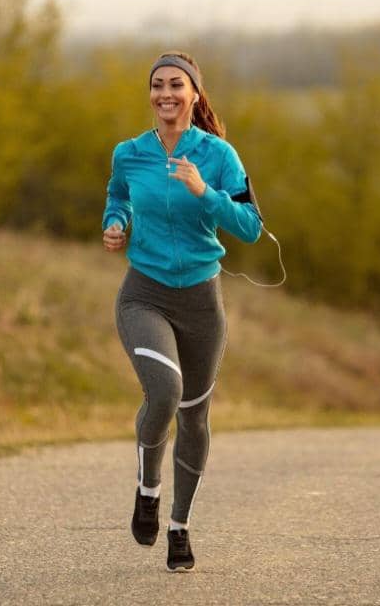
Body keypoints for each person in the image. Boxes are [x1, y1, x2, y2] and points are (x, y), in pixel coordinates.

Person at [101, 51, 263, 572]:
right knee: (164, 391)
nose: (165, 94)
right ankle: (147, 488)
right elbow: (118, 197)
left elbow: (251, 226)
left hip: (201, 302)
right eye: (157, 85)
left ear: (194, 94)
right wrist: (116, 222)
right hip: (143, 293)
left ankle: (179, 527)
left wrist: (205, 192)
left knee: (194, 417)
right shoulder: (129, 153)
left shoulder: (219, 156)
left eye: (176, 85)